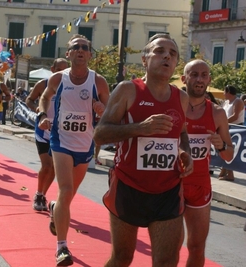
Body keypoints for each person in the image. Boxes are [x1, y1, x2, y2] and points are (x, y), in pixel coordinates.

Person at [94, 33, 193, 267]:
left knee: (167, 261)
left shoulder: (182, 98)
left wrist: (185, 152)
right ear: (144, 59)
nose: (166, 56)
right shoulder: (128, 90)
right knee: (122, 258)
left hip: (168, 189)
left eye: (172, 53)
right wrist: (140, 128)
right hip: (129, 186)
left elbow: (182, 133)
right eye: (159, 51)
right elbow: (100, 134)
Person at [38, 34, 109, 266]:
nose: (80, 50)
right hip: (61, 140)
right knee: (66, 190)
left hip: (85, 143)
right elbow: (45, 97)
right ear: (68, 54)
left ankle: (55, 208)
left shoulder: (98, 82)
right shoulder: (58, 79)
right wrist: (41, 115)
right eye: (75, 47)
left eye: (84, 47)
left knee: (67, 197)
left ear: (89, 54)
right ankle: (62, 248)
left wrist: (101, 110)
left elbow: (110, 113)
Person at [182, 59, 234, 267]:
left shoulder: (217, 113)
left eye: (204, 75)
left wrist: (221, 145)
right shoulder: (173, 105)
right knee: (170, 244)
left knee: (197, 246)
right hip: (171, 182)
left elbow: (229, 156)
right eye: (194, 74)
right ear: (184, 78)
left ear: (209, 80)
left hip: (200, 184)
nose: (199, 79)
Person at [26, 58, 69, 211]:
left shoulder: (70, 86)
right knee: (47, 166)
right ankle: (38, 193)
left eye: (64, 70)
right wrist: (38, 110)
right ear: (52, 69)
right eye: (59, 70)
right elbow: (29, 100)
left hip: (59, 131)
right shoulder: (43, 84)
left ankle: (43, 194)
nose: (61, 73)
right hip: (43, 129)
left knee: (54, 169)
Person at [219, 85, 245, 181]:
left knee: (231, 150)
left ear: (228, 92)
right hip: (227, 127)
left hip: (235, 128)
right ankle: (225, 171)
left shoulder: (237, 101)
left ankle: (229, 173)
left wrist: (223, 123)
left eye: (224, 91)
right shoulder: (226, 102)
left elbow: (235, 115)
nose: (223, 93)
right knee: (223, 149)